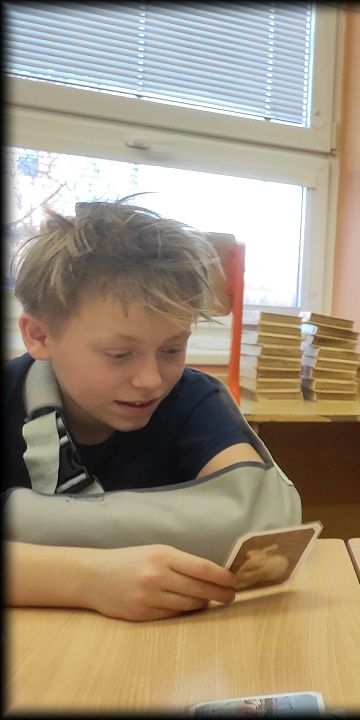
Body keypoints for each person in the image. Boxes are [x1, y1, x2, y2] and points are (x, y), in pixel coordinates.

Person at [4, 198, 302, 622]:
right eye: (119, 354)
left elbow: (263, 520)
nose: (151, 380)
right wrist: (88, 577)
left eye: (172, 349)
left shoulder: (192, 397)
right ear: (39, 335)